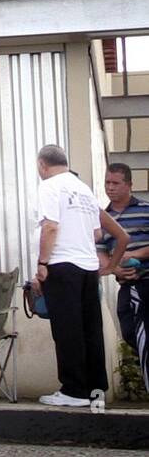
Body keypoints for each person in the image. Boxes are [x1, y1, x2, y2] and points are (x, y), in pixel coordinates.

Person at [31, 146, 127, 407]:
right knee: (89, 328)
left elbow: (50, 226)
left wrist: (42, 263)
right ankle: (96, 389)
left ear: (42, 165)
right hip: (87, 267)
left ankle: (73, 389)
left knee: (67, 329)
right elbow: (97, 233)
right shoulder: (83, 189)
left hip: (62, 264)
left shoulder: (50, 186)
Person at [100, 163, 149, 400]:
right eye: (107, 182)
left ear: (129, 185)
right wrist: (115, 267)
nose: (110, 188)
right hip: (125, 286)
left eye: (115, 183)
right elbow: (101, 252)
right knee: (130, 333)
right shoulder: (103, 217)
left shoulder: (145, 209)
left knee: (143, 337)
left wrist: (134, 255)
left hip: (146, 282)